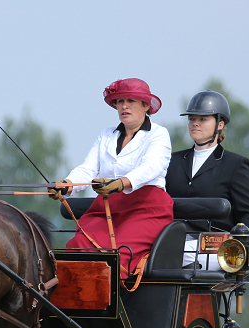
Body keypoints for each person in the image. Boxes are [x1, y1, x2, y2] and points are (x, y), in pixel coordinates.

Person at [49, 78, 174, 279]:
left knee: (119, 255)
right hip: (107, 207)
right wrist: (67, 185)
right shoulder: (106, 135)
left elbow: (152, 167)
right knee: (78, 247)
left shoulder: (159, 134)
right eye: (119, 101)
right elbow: (88, 169)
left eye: (131, 100)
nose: (124, 106)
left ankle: (113, 308)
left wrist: (121, 183)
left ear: (145, 105)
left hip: (147, 209)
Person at [165, 90, 249, 269]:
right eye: (192, 119)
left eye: (202, 119)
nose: (195, 124)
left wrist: (237, 251)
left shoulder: (235, 164)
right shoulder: (172, 161)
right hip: (174, 242)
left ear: (220, 124)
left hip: (213, 248)